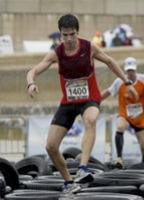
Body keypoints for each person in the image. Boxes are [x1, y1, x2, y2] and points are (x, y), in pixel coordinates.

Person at [26, 14, 137, 193]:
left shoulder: (89, 47)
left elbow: (109, 61)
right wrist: (31, 83)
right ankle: (69, 183)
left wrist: (125, 80)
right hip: (68, 102)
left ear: (77, 32)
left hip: (89, 98)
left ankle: (83, 168)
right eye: (65, 35)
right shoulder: (57, 53)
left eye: (72, 34)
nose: (69, 39)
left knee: (91, 119)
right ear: (60, 34)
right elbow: (33, 70)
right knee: (51, 146)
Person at [101, 57, 144, 168]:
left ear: (135, 70)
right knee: (120, 126)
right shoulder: (119, 81)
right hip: (125, 115)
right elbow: (107, 92)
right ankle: (119, 158)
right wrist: (95, 100)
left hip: (140, 118)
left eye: (132, 70)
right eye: (128, 71)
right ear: (125, 71)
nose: (130, 73)